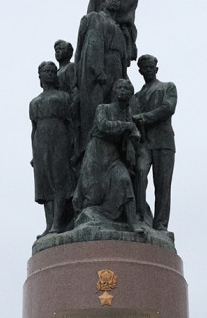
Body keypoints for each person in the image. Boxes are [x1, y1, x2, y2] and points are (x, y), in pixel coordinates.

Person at [72, 78, 145, 232]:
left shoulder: (128, 114)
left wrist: (132, 138)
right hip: (96, 153)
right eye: (119, 88)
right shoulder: (103, 108)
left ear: (131, 94)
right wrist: (127, 126)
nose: (122, 91)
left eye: (126, 89)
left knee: (124, 179)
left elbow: (134, 134)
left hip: (113, 155)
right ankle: (85, 218)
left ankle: (133, 223)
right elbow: (103, 125)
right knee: (93, 196)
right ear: (114, 91)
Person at [74, 0, 131, 155]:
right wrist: (97, 69)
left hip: (116, 69)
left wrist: (123, 75)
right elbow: (93, 43)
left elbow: (123, 57)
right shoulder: (96, 18)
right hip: (99, 70)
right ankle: (89, 148)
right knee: (95, 109)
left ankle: (114, 147)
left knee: (114, 108)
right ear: (103, 1)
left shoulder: (119, 28)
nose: (114, 1)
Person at [131, 54, 177, 230]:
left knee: (162, 185)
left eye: (151, 68)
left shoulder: (167, 87)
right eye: (145, 68)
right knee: (140, 173)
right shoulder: (136, 97)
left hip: (163, 142)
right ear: (140, 71)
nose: (149, 70)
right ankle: (140, 215)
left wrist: (144, 117)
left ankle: (161, 224)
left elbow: (168, 108)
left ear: (156, 69)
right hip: (144, 143)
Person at [31, 61, 76, 236]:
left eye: (52, 71)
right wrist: (34, 153)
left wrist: (72, 146)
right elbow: (33, 129)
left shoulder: (63, 97)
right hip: (41, 143)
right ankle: (49, 224)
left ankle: (58, 222)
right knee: (44, 184)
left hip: (59, 138)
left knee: (59, 180)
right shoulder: (34, 102)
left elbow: (70, 124)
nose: (49, 74)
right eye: (46, 71)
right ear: (40, 76)